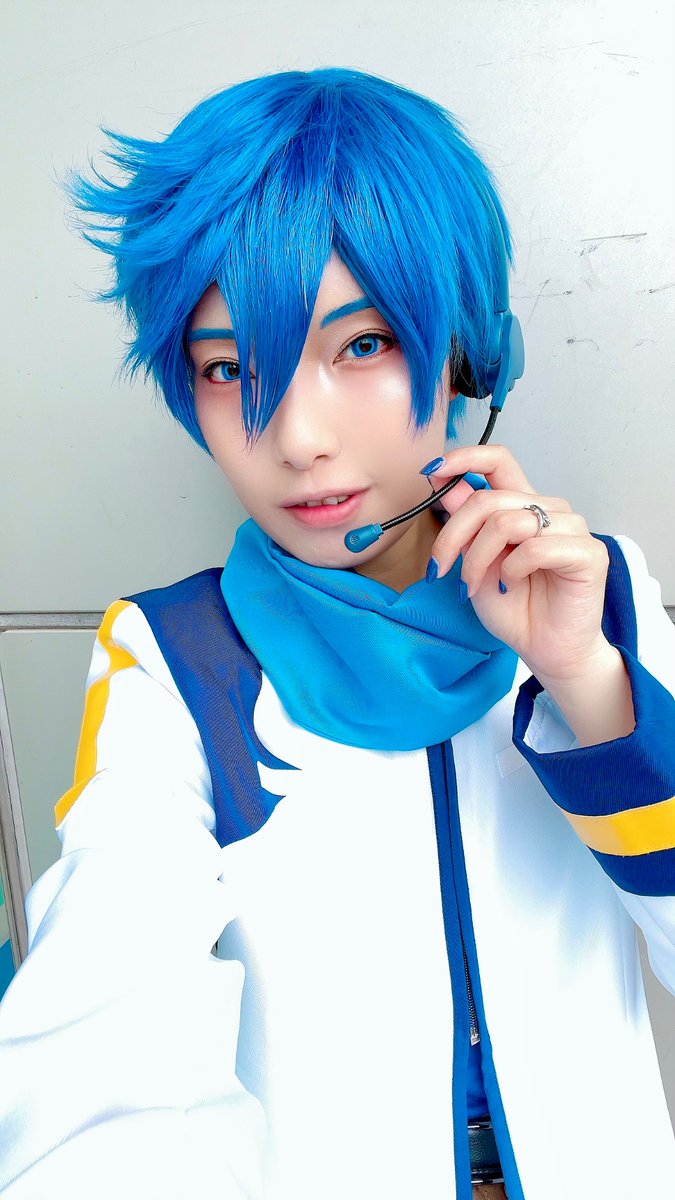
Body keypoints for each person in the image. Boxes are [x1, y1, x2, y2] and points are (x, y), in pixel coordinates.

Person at [0, 66, 674, 1200]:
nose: (296, 437)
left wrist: (586, 681)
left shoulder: (597, 595)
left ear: (470, 355)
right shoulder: (174, 658)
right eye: (229, 368)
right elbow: (102, 1022)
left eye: (360, 345)